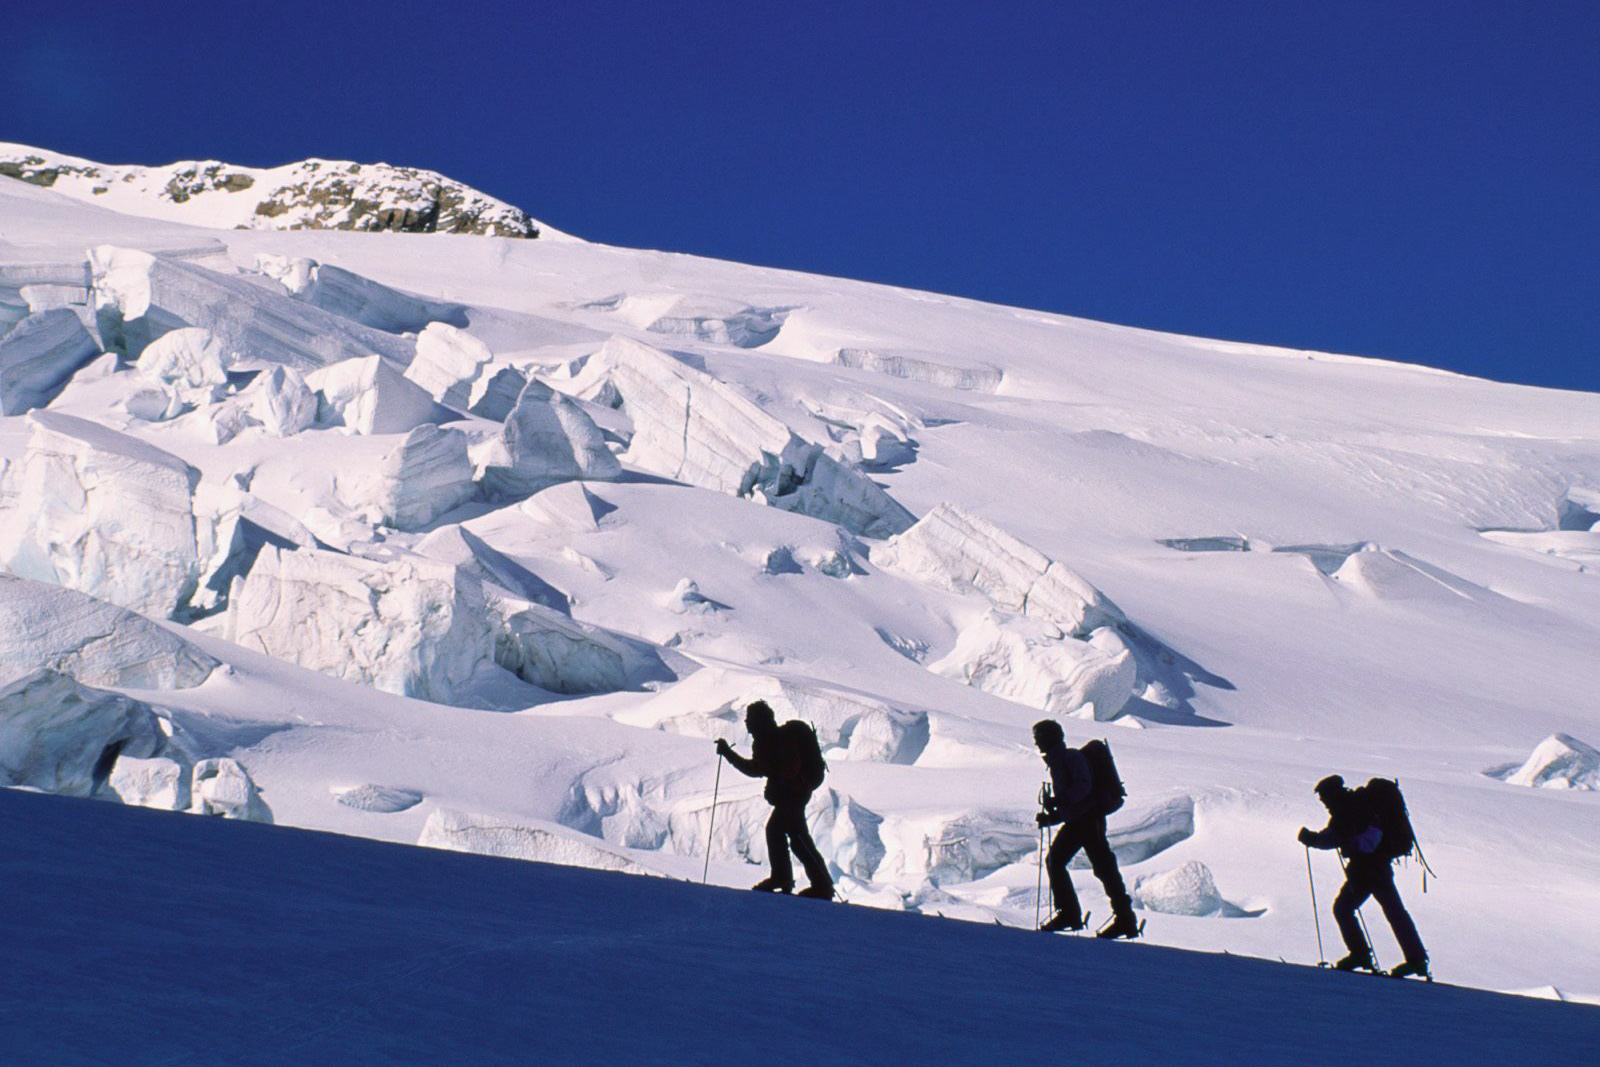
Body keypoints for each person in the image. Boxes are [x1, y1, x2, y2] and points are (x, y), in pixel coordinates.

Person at [1298, 774, 1429, 977]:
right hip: (1376, 868)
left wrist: (1313, 839)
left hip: (1368, 870)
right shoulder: (1352, 808)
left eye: (1323, 798)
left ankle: (1361, 955)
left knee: (1344, 908)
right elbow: (1341, 836)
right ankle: (1416, 960)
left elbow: (1349, 838)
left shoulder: (1351, 809)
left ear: (1331, 794)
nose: (1323, 803)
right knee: (1392, 911)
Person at [715, 700, 834, 900]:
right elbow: (760, 768)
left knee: (777, 831)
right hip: (796, 793)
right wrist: (729, 754)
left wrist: (729, 754)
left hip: (794, 794)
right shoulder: (769, 741)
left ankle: (785, 878)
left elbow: (771, 769)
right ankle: (819, 885)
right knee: (798, 839)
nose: (748, 725)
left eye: (750, 720)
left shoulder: (777, 740)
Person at [1033, 719, 1138, 938]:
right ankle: (1123, 919)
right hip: (1085, 820)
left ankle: (1073, 914)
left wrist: (1058, 805)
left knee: (1063, 862)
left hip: (1087, 820)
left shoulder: (1070, 758)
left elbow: (1083, 788)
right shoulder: (1060, 760)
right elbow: (1075, 799)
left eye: (1039, 738)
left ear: (1049, 739)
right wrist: (1052, 817)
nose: (1037, 743)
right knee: (1100, 867)